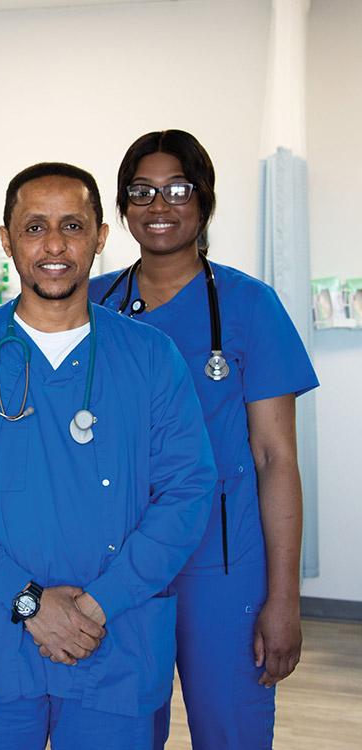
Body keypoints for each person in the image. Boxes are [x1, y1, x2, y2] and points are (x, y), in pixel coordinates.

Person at [0, 162, 217, 749]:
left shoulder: (150, 357)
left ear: (100, 237)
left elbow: (188, 493)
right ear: (6, 239)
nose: (53, 245)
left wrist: (100, 603)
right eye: (34, 227)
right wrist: (28, 602)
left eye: (72, 226)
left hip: (113, 640)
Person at [90, 129, 319, 749]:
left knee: (232, 729)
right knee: (123, 730)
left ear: (204, 199)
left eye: (177, 189)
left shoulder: (249, 306)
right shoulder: (89, 306)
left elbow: (275, 459)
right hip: (120, 561)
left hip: (222, 562)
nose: (158, 205)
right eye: (141, 191)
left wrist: (283, 598)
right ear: (121, 206)